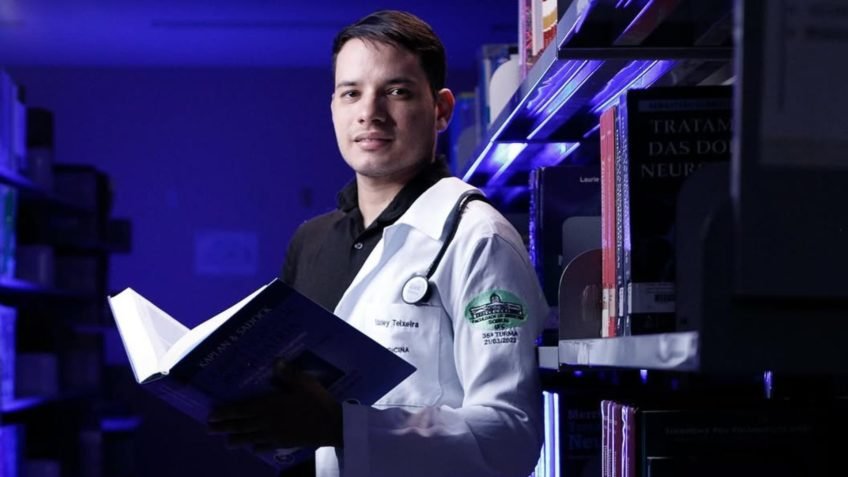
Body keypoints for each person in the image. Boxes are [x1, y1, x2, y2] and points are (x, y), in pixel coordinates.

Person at [208, 10, 549, 477]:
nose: (369, 112)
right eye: (351, 93)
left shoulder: (479, 239)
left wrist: (343, 427)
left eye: (397, 91)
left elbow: (509, 438)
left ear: (441, 109)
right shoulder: (311, 242)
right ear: (334, 108)